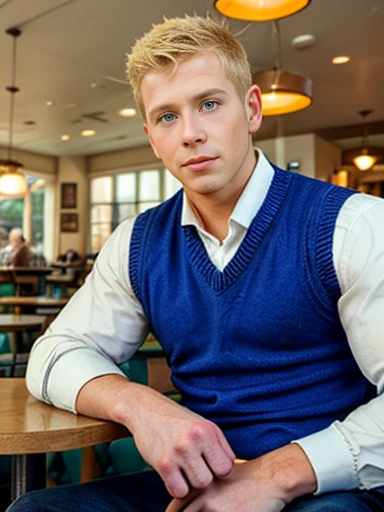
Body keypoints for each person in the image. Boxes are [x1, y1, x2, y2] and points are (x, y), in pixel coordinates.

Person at [9, 15, 384, 512]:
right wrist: (142, 406)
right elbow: (55, 351)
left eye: (209, 104)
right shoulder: (137, 243)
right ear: (151, 136)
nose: (190, 133)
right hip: (201, 481)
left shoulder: (352, 225)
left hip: (329, 484)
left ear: (251, 109)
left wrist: (277, 474)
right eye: (167, 117)